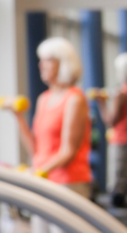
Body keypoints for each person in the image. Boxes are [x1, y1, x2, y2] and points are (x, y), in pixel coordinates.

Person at [11, 37, 91, 233]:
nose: (40, 65)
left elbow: (68, 151)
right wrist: (18, 117)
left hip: (68, 183)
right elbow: (36, 150)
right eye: (41, 60)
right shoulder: (43, 99)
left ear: (62, 63)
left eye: (47, 60)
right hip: (44, 181)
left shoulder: (74, 99)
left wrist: (40, 171)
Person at [96, 53, 127, 207]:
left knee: (118, 181)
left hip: (121, 140)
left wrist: (100, 103)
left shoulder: (120, 94)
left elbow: (110, 121)